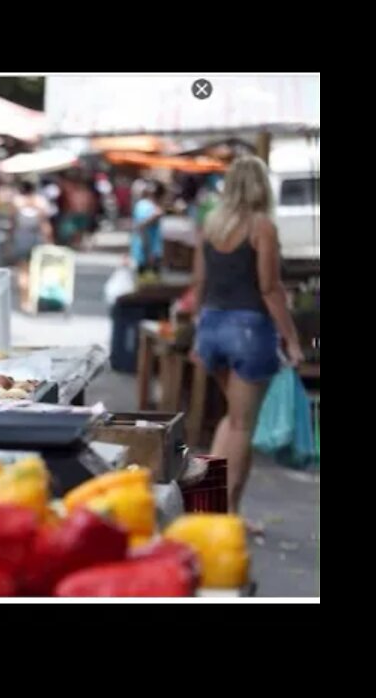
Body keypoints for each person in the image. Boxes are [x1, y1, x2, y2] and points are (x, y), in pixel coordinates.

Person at [190, 155, 305, 517]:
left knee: (231, 419)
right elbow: (270, 289)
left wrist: (198, 331)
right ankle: (225, 515)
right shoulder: (261, 227)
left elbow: (199, 283)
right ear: (261, 186)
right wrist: (293, 340)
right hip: (249, 330)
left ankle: (211, 503)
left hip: (212, 326)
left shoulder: (210, 224)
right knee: (243, 426)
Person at [8, 180, 54, 304]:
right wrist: (49, 241)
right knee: (36, 268)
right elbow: (45, 223)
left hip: (21, 236)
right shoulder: (41, 201)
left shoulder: (16, 201)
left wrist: (10, 240)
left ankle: (24, 300)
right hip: (36, 236)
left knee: (22, 270)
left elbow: (12, 223)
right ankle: (33, 299)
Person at [131, 182, 164, 272]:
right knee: (146, 277)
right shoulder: (145, 206)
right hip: (146, 250)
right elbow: (141, 226)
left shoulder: (146, 205)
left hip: (150, 250)